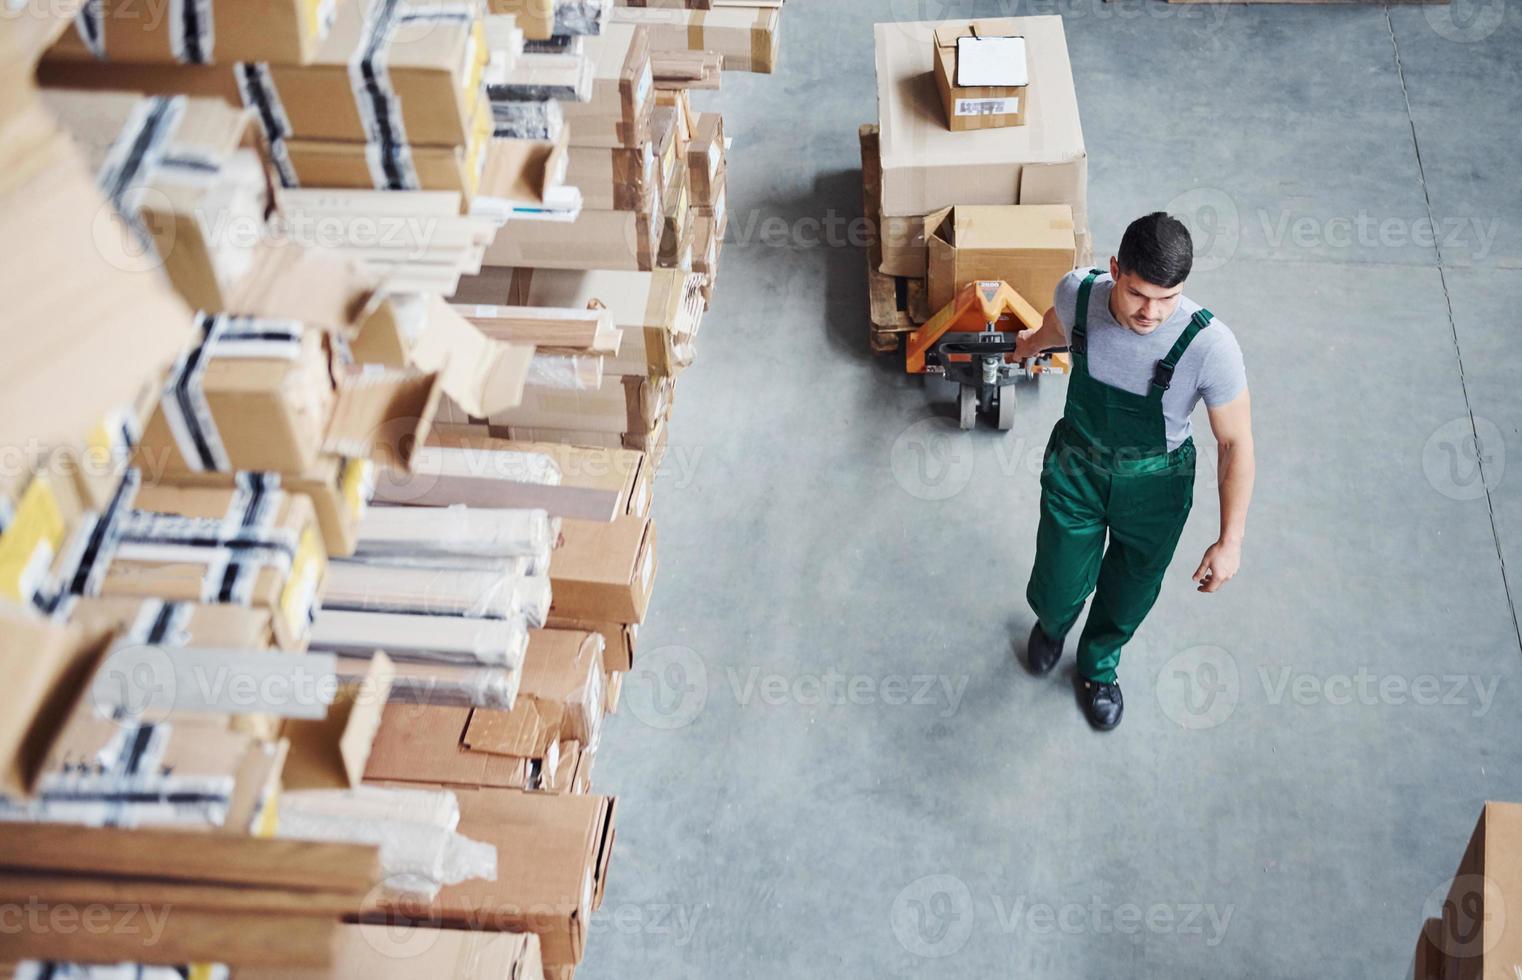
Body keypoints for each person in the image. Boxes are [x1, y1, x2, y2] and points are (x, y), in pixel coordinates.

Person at [1012, 212, 1255, 731]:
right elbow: (1060, 324)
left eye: (1168, 298)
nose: (1152, 312)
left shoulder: (1210, 347)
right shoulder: (1078, 293)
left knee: (1130, 588)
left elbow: (1235, 442)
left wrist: (1230, 540)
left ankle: (1098, 666)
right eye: (1140, 294)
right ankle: (1055, 623)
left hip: (1154, 485)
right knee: (1058, 582)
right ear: (1116, 268)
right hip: (1077, 464)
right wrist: (1032, 343)